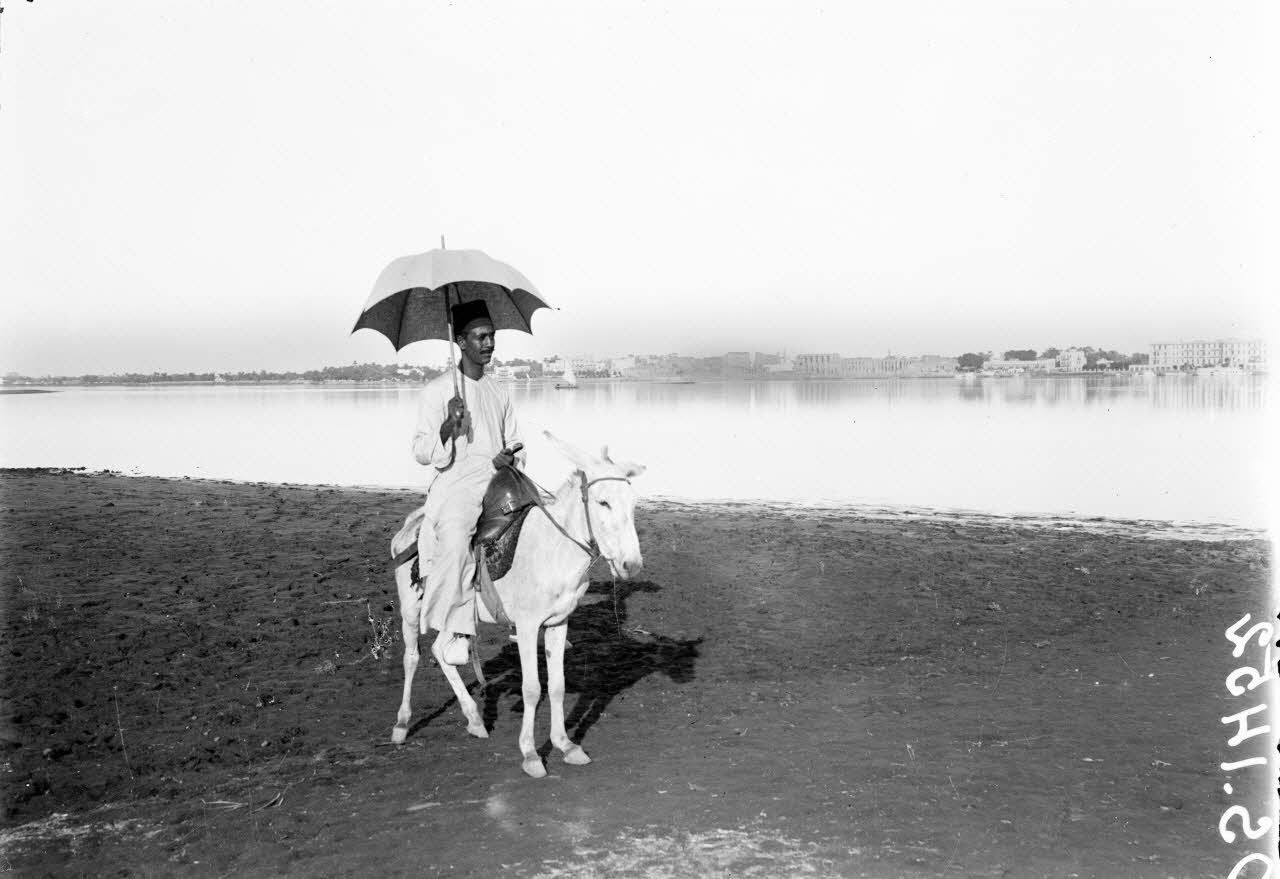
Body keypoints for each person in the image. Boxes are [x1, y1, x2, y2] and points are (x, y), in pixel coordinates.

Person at [412, 299, 524, 665]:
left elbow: (515, 442)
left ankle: (526, 617)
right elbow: (421, 451)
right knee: (458, 534)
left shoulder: (499, 390)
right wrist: (448, 424)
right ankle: (459, 629)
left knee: (540, 517)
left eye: (492, 336)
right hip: (457, 485)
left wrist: (510, 457)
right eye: (480, 337)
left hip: (498, 479)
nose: (489, 343)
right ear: (460, 341)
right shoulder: (437, 391)